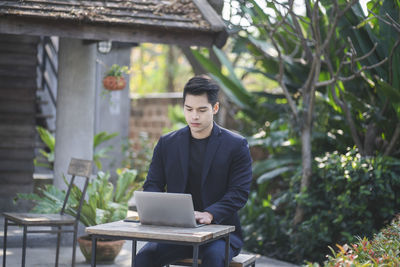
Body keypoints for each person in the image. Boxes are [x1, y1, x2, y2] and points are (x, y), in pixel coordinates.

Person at [135, 75, 253, 267]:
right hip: (175, 233)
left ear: (215, 108)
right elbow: (153, 184)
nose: (194, 116)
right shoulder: (167, 143)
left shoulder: (236, 145)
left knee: (213, 260)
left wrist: (210, 214)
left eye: (201, 110)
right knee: (143, 258)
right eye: (189, 109)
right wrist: (154, 211)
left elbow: (239, 193)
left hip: (220, 235)